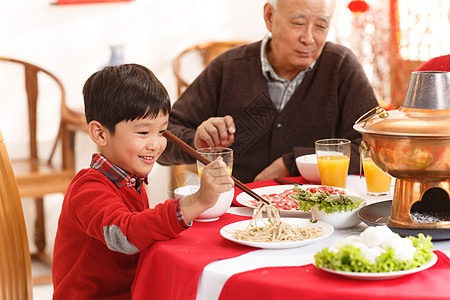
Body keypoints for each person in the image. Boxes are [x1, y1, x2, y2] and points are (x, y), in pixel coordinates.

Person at [52, 64, 233, 299]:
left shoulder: (131, 181)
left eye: (162, 132)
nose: (155, 144)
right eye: (143, 133)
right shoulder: (88, 189)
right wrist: (197, 201)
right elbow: (125, 235)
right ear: (100, 133)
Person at [158, 0, 379, 183]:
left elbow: (376, 150)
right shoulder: (229, 67)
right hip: (238, 212)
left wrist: (294, 162)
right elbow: (161, 137)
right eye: (298, 23)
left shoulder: (340, 66)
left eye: (321, 26)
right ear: (270, 17)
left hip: (317, 214)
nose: (309, 38)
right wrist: (197, 141)